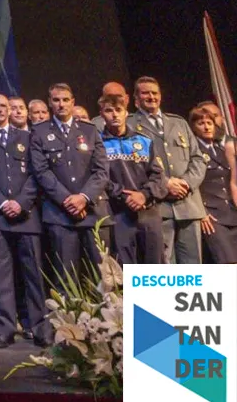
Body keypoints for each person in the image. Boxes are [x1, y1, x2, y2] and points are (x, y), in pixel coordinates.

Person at [0, 94, 46, 348]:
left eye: (4, 106)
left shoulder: (27, 137)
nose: (0, 110)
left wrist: (21, 202)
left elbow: (37, 174)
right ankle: (5, 329)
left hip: (26, 216)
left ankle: (38, 327)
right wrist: (2, 203)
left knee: (33, 276)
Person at [29, 83, 110, 294]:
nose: (61, 104)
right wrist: (68, 200)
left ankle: (106, 325)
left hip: (92, 213)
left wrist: (83, 197)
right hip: (59, 215)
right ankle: (68, 326)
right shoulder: (39, 132)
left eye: (65, 99)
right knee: (65, 277)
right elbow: (41, 172)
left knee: (101, 276)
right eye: (56, 100)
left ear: (73, 102)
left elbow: (101, 170)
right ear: (50, 103)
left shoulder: (89, 130)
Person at [125, 76, 206, 264]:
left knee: (193, 266)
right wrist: (166, 184)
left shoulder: (179, 123)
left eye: (154, 93)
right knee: (164, 264)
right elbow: (134, 166)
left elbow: (198, 159)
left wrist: (186, 183)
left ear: (160, 96)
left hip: (189, 205)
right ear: (136, 99)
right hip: (158, 206)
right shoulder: (129, 125)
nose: (151, 97)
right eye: (145, 93)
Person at [97, 93, 167, 265]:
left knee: (154, 269)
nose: (114, 115)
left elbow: (158, 175)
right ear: (101, 115)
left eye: (119, 110)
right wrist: (123, 195)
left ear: (126, 113)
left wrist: (144, 195)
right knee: (125, 269)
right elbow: (100, 177)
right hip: (118, 213)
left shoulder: (144, 141)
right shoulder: (98, 143)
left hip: (148, 213)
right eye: (109, 111)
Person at [190, 106, 237, 263]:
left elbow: (231, 181)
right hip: (212, 217)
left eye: (209, 122)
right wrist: (201, 212)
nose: (206, 126)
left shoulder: (221, 149)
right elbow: (192, 184)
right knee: (227, 262)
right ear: (193, 128)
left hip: (230, 212)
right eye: (201, 123)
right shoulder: (193, 151)